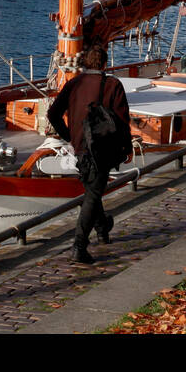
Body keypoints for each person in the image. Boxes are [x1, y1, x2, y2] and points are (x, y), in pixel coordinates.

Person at [47, 42, 131, 264]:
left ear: (85, 63)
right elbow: (123, 121)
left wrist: (68, 135)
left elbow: (53, 113)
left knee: (93, 188)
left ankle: (102, 227)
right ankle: (79, 246)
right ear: (104, 63)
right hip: (103, 147)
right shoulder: (113, 85)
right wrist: (127, 148)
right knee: (93, 194)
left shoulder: (73, 84)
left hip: (81, 147)